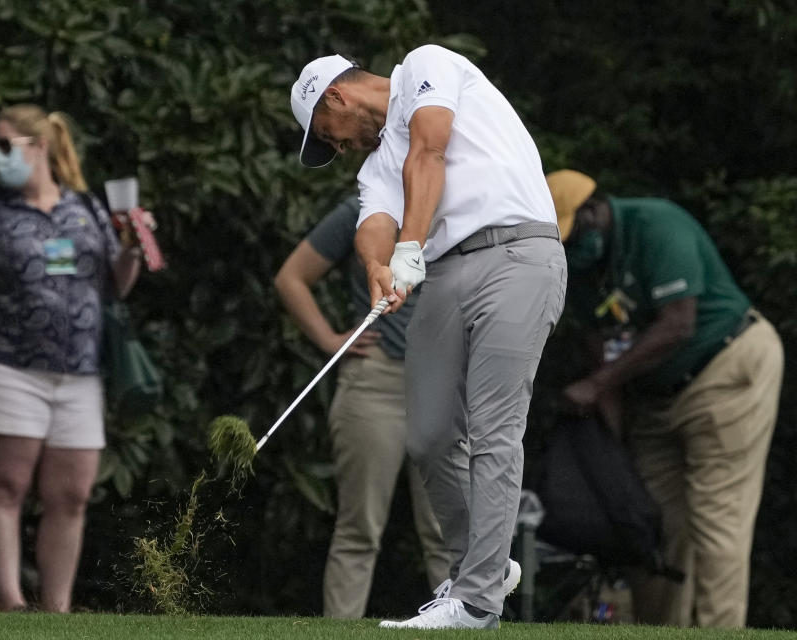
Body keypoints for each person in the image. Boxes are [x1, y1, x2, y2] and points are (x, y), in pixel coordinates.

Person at [289, 46, 566, 629]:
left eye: (329, 135)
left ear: (337, 96)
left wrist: (410, 245)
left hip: (519, 252)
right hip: (443, 274)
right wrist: (378, 268)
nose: (338, 149)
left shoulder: (426, 65)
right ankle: (485, 568)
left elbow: (430, 147)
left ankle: (476, 599)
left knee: (494, 429)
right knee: (430, 435)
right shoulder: (374, 165)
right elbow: (374, 223)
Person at [546, 169, 784, 628]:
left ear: (596, 209)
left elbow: (678, 324)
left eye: (576, 232)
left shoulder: (656, 224)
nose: (573, 246)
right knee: (650, 524)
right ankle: (661, 634)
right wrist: (613, 437)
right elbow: (600, 351)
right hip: (654, 398)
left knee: (717, 519)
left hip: (727, 368)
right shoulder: (579, 271)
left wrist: (597, 386)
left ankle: (721, 632)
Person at [0, 104, 152, 612]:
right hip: (8, 366)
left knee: (72, 496)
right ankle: (12, 606)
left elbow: (115, 287)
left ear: (39, 147)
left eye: (4, 144)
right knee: (7, 485)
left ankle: (56, 611)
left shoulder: (85, 209)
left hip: (80, 374)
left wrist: (131, 246)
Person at [274, 194, 449, 618]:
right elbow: (290, 278)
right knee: (359, 530)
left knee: (449, 533)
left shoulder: (458, 206)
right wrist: (332, 339)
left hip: (445, 385)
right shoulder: (364, 211)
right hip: (375, 384)